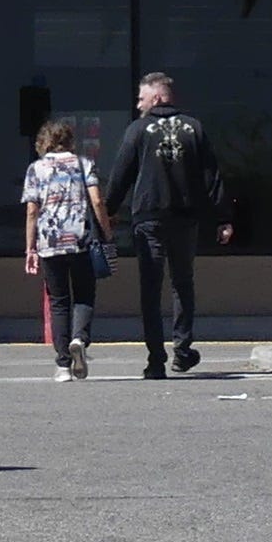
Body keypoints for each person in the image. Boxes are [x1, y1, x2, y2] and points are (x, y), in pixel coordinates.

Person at [103, 71, 234, 378]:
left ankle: (155, 360)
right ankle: (183, 349)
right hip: (185, 219)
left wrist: (107, 212)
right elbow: (211, 177)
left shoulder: (138, 130)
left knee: (150, 288)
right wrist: (223, 217)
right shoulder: (194, 128)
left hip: (148, 218)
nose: (138, 105)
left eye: (141, 97)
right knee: (182, 283)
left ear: (157, 97)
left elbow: (121, 174)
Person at [21, 120, 108, 381]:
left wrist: (30, 248)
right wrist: (107, 232)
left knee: (58, 303)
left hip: (50, 243)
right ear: (70, 140)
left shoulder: (36, 169)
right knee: (84, 295)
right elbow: (97, 200)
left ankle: (62, 366)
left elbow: (32, 211)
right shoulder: (84, 164)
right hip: (80, 240)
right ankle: (80, 338)